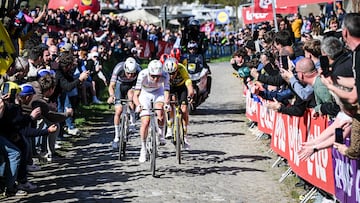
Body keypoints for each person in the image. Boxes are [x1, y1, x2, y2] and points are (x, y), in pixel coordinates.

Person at [133, 60, 170, 163]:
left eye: (158, 76)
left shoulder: (165, 74)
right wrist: (138, 105)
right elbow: (136, 94)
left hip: (158, 92)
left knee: (161, 114)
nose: (155, 79)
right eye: (153, 76)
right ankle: (143, 148)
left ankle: (161, 135)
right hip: (145, 93)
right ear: (149, 73)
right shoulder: (143, 74)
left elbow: (166, 92)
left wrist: (166, 104)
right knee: (145, 122)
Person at [107, 57, 141, 149]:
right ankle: (116, 137)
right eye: (128, 73)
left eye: (132, 73)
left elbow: (141, 88)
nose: (129, 75)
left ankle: (132, 120)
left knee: (131, 96)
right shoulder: (118, 68)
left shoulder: (138, 69)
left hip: (132, 85)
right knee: (118, 111)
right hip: (120, 85)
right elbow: (111, 85)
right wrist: (111, 95)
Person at [163, 57, 194, 149]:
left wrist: (191, 92)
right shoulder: (164, 72)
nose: (171, 76)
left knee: (184, 110)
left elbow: (188, 81)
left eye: (173, 73)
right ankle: (169, 126)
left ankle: (185, 135)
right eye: (169, 74)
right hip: (169, 87)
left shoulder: (181, 68)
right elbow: (162, 86)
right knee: (169, 103)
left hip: (181, 87)